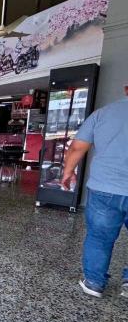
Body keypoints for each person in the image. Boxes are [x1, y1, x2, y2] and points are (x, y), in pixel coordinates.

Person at [61, 85, 128, 298]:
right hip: (105, 186)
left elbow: (77, 148)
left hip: (104, 187)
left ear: (126, 89)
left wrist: (68, 172)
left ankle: (94, 282)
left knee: (99, 236)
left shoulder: (102, 114)